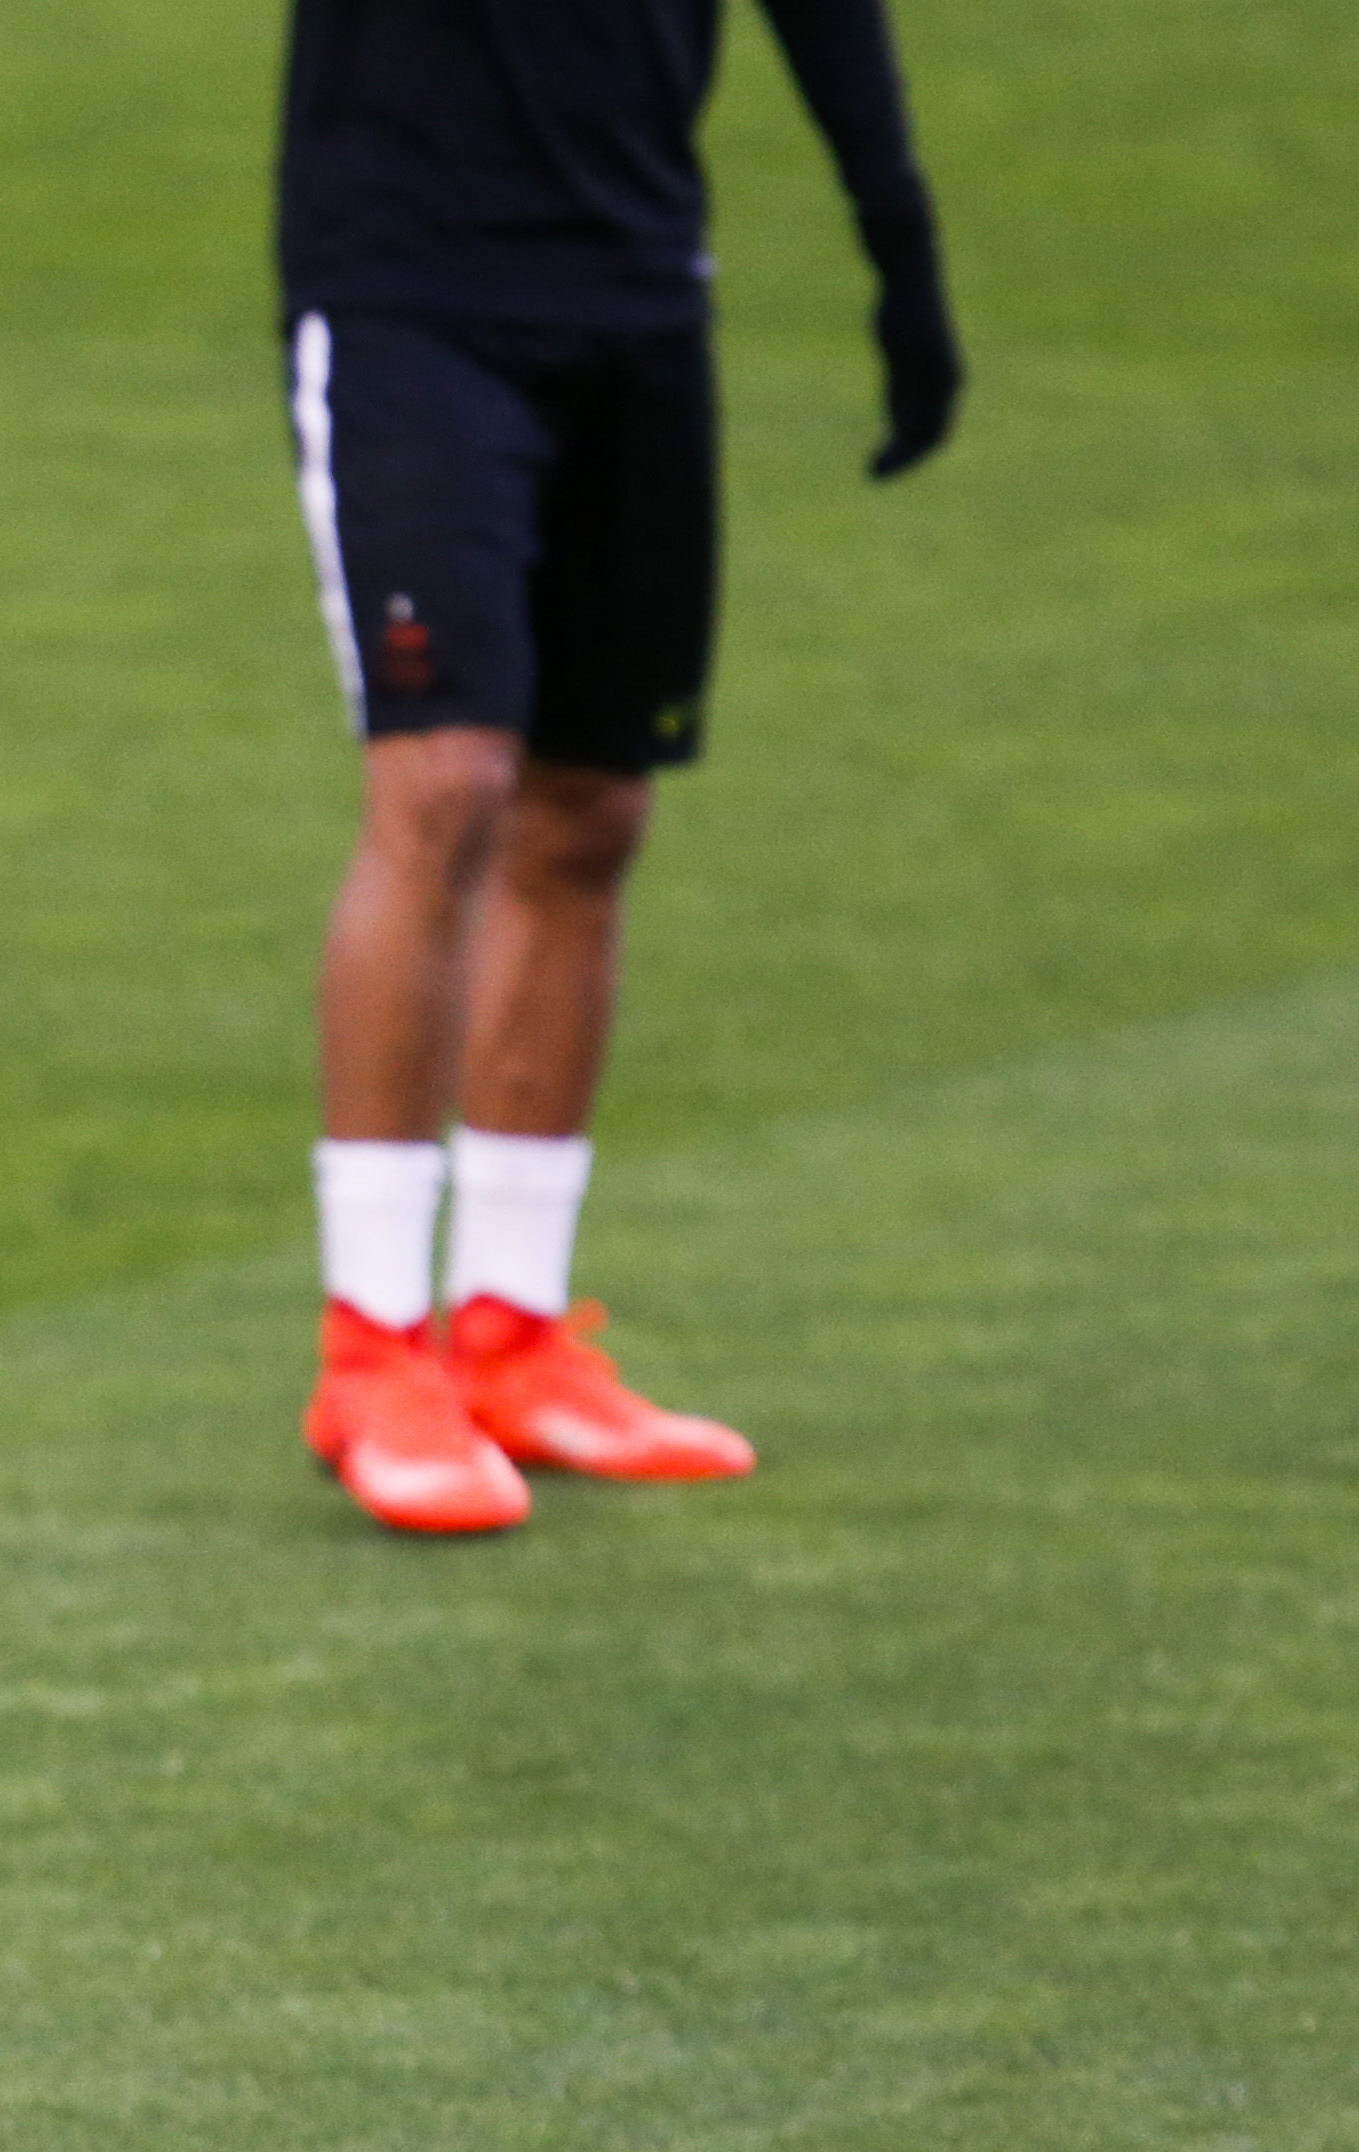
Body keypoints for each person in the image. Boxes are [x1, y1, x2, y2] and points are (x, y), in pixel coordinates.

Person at [276, 0, 959, 1533]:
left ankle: (510, 1332)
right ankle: (373, 1346)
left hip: (635, 294)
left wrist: (894, 239)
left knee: (588, 810)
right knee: (442, 783)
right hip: (408, 296)